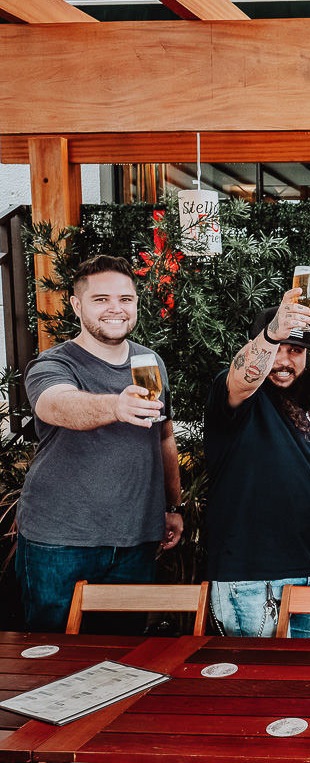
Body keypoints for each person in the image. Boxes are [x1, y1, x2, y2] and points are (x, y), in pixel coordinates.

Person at [17, 255, 182, 632]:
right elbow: (55, 404)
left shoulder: (149, 360)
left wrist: (173, 505)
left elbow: (164, 435)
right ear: (77, 305)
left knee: (123, 659)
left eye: (126, 299)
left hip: (136, 540)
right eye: (101, 299)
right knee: (54, 658)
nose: (116, 309)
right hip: (59, 542)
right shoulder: (54, 363)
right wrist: (116, 405)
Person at [204, 290, 310, 638]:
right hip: (251, 578)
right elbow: (242, 377)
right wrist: (272, 335)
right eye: (277, 349)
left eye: (295, 350)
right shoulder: (235, 392)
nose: (284, 359)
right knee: (257, 687)